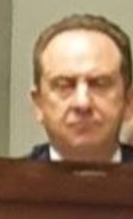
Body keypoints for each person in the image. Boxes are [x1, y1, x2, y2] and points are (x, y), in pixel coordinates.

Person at [28, 14, 133, 162]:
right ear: (38, 104)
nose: (82, 103)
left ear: (128, 101)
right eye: (63, 85)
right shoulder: (2, 177)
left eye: (100, 84)